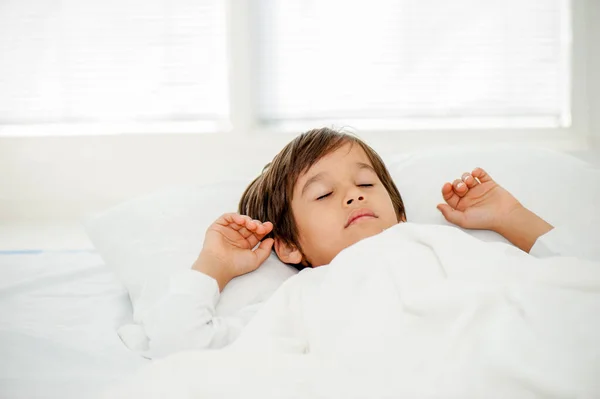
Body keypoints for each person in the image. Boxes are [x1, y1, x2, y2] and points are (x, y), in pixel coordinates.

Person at [142, 128, 583, 358]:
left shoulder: (443, 243)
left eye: (365, 183)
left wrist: (511, 218)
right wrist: (213, 265)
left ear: (401, 212)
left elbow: (571, 282)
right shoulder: (300, 298)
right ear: (291, 247)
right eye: (323, 194)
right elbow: (179, 348)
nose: (353, 194)